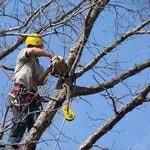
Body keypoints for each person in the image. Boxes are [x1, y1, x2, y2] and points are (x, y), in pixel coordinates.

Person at [5, 33, 66, 150]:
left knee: (37, 123)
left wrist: (50, 69)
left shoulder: (38, 65)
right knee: (20, 121)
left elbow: (39, 81)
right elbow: (32, 50)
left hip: (32, 98)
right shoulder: (24, 54)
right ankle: (10, 146)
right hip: (20, 94)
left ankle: (30, 147)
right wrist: (51, 55)